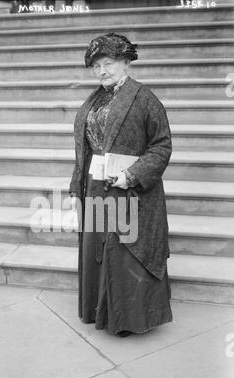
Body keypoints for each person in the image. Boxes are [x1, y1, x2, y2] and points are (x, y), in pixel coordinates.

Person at [69, 32, 173, 337]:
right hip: (96, 186)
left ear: (125, 63)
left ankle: (128, 319)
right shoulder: (95, 99)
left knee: (124, 251)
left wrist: (133, 175)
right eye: (96, 65)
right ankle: (98, 311)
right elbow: (83, 150)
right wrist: (77, 186)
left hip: (130, 189)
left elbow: (162, 146)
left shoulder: (144, 98)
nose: (101, 70)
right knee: (99, 250)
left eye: (108, 63)